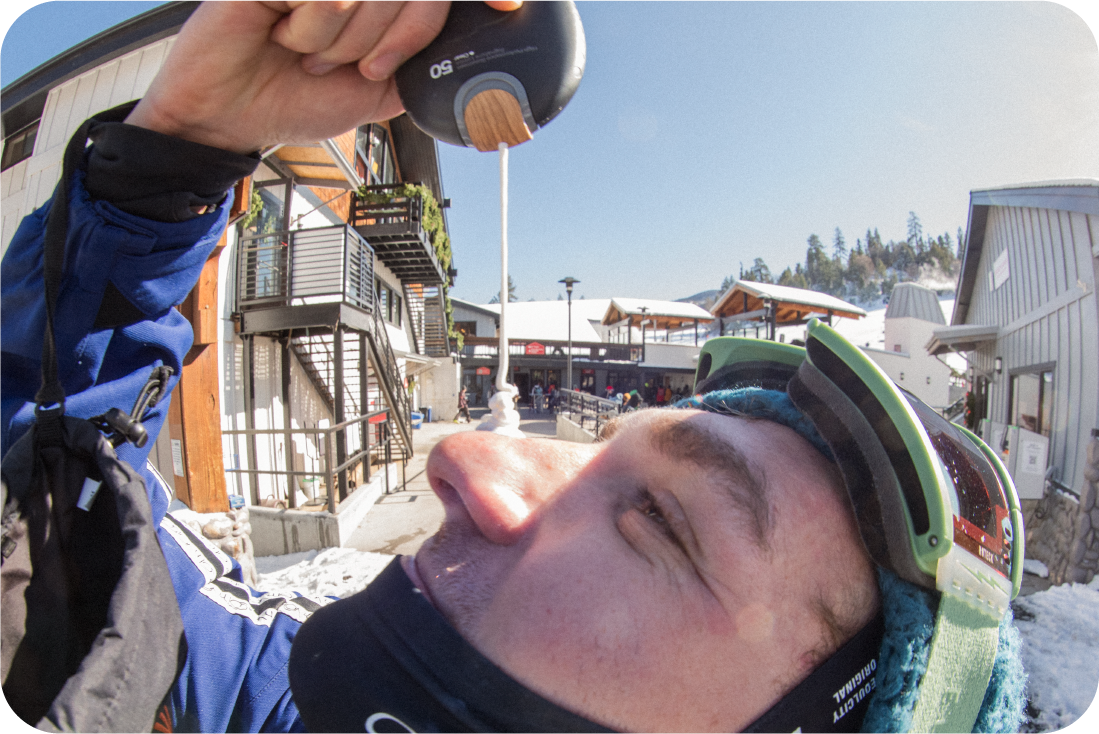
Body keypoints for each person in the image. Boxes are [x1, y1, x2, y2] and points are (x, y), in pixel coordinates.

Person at [0, 1, 1026, 732]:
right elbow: (43, 524)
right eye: (596, 457)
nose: (467, 468)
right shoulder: (252, 693)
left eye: (661, 524)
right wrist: (183, 149)